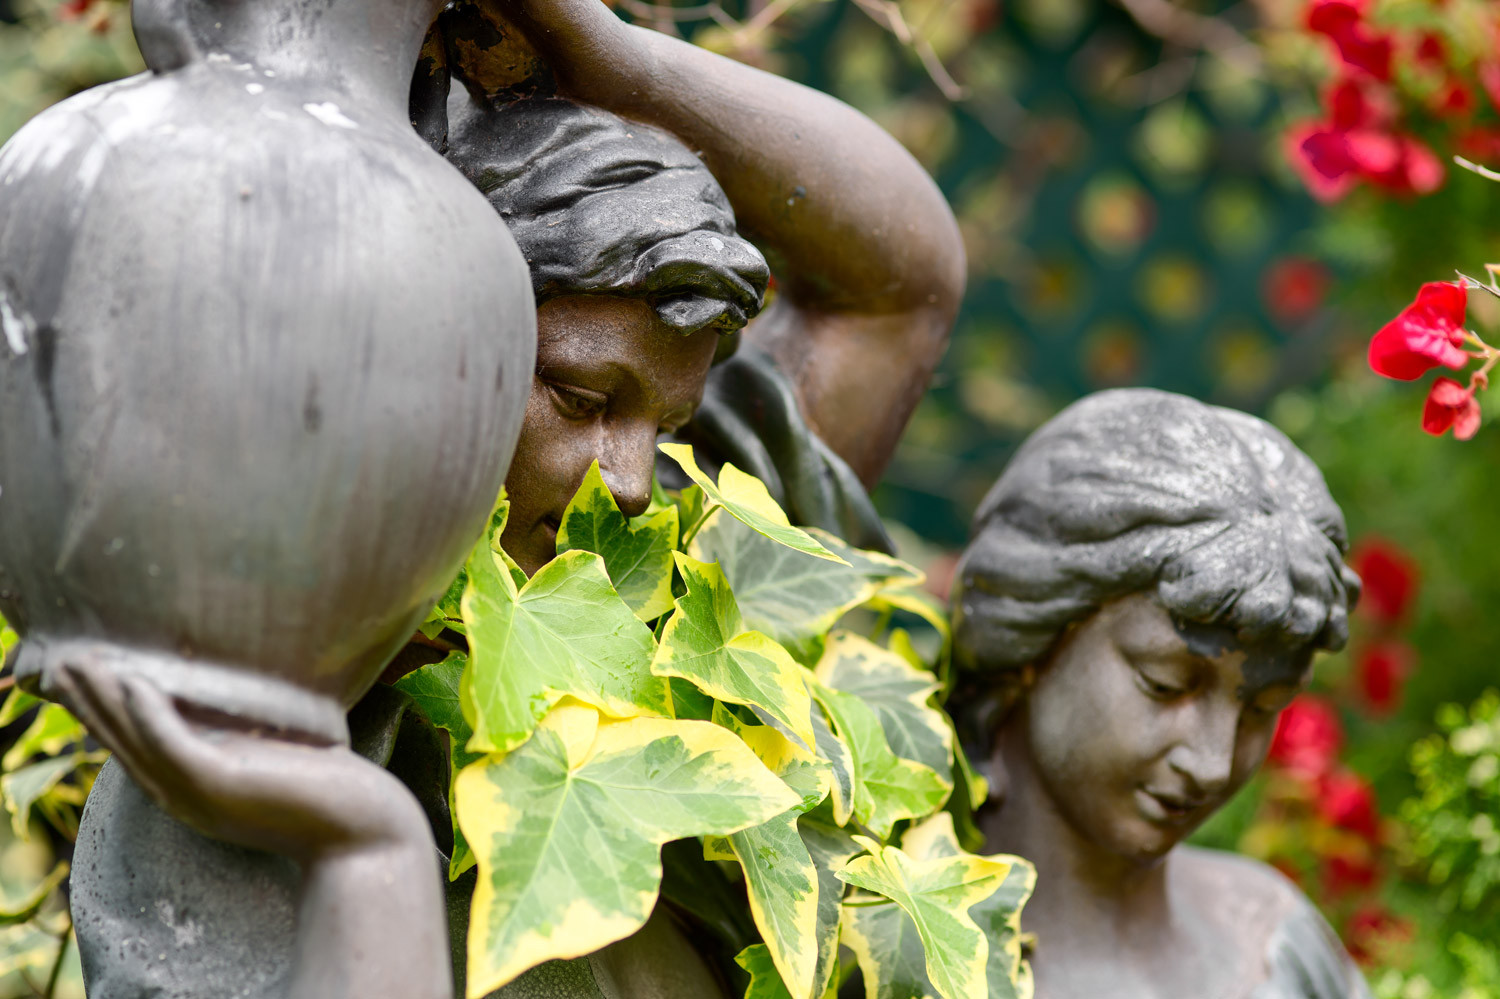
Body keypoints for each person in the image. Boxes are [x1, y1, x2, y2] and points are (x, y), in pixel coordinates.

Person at [64, 2, 964, 997]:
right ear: (425, 350)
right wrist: (370, 854)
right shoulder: (226, 775)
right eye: (580, 398)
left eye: (667, 426)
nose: (632, 484)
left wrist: (601, 54)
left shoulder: (673, 581)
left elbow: (900, 287)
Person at [949, 388, 1372, 999]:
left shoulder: (1279, 946)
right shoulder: (878, 948)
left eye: (1262, 708)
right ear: (1033, 639)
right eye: (1166, 685)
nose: (1212, 763)